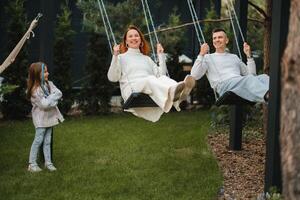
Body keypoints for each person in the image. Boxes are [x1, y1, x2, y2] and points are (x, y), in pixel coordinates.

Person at [108, 25, 194, 122]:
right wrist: (115, 56)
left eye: (136, 36)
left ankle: (181, 93)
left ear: (140, 40)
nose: (134, 38)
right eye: (130, 36)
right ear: (126, 41)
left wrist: (160, 55)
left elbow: (161, 75)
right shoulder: (121, 58)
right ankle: (175, 93)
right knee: (150, 79)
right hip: (131, 89)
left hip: (147, 86)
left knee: (161, 79)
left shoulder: (147, 59)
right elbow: (112, 78)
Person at [191, 28, 269, 103]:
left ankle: (276, 93)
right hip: (224, 85)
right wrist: (201, 54)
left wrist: (249, 55)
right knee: (247, 80)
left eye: (220, 37)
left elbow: (252, 75)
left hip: (239, 83)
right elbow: (195, 75)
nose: (217, 40)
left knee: (264, 77)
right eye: (214, 38)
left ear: (226, 40)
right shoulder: (207, 58)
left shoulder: (234, 57)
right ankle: (268, 95)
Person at [26, 62, 64, 172]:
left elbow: (59, 93)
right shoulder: (35, 90)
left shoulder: (49, 84)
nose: (48, 73)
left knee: (47, 140)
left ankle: (48, 162)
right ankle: (32, 164)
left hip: (49, 117)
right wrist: (54, 100)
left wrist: (50, 99)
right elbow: (44, 105)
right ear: (37, 74)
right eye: (45, 72)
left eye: (47, 71)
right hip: (40, 119)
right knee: (39, 139)